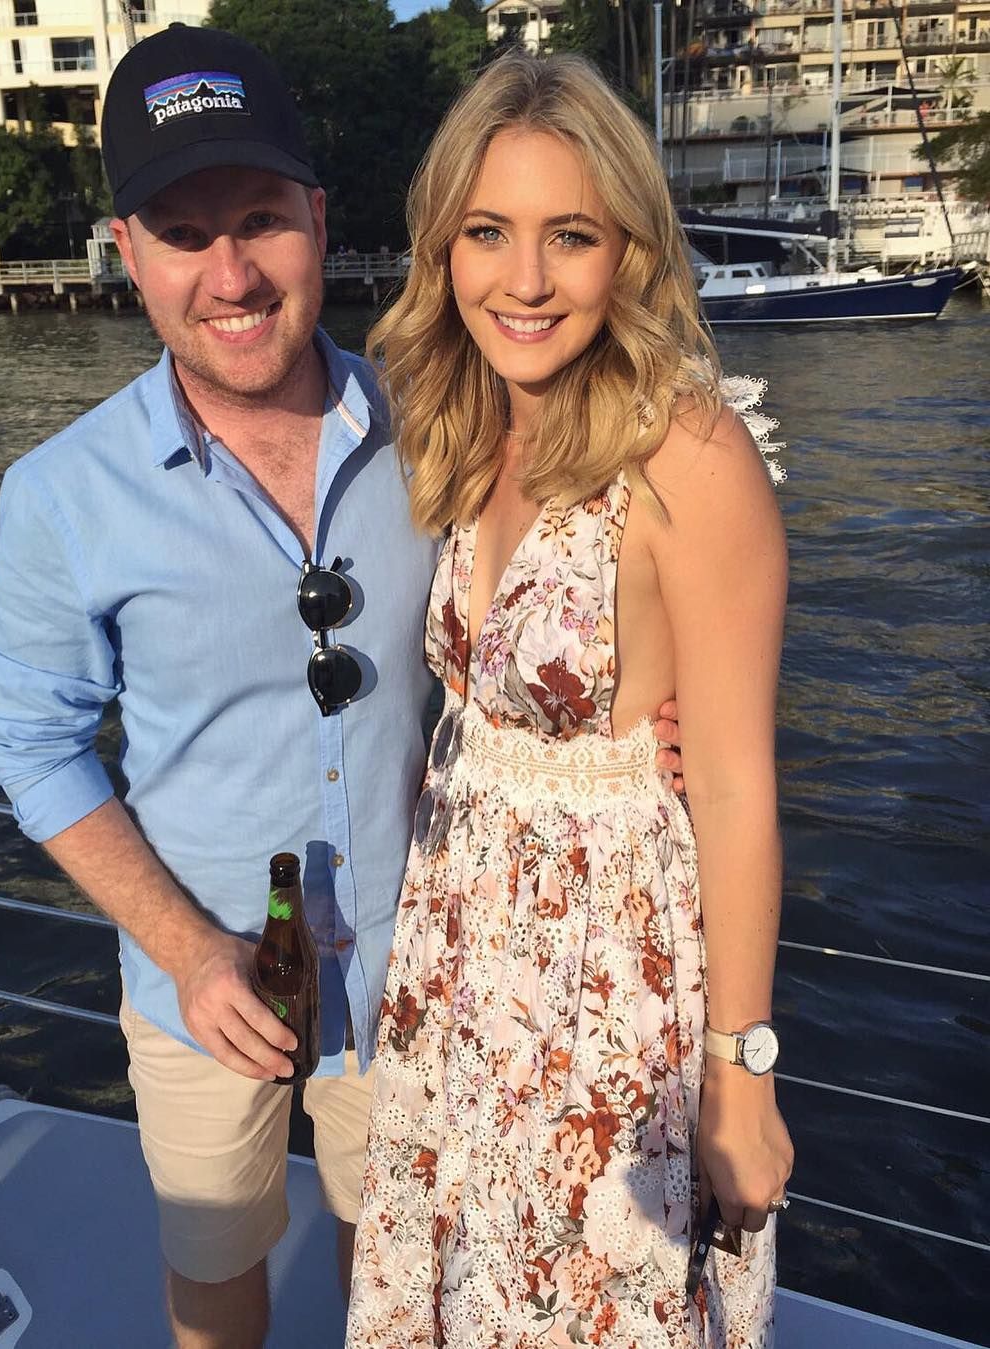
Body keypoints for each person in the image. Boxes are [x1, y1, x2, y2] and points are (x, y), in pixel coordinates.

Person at [0, 26, 685, 1349]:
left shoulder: (448, 428)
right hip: (198, 989)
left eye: (259, 218)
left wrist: (654, 722)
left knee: (401, 1274)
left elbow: (561, 605)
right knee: (215, 1276)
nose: (231, 275)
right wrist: (187, 950)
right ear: (126, 252)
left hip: (425, 970)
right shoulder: (60, 494)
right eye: (183, 233)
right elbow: (31, 742)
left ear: (316, 216)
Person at [347, 51, 793, 1348]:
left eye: (572, 236)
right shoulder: (465, 421)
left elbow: (734, 786)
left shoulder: (688, 449)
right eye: (488, 232)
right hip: (462, 955)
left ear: (629, 252)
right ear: (443, 246)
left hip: (601, 979)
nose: (526, 280)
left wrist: (742, 1074)